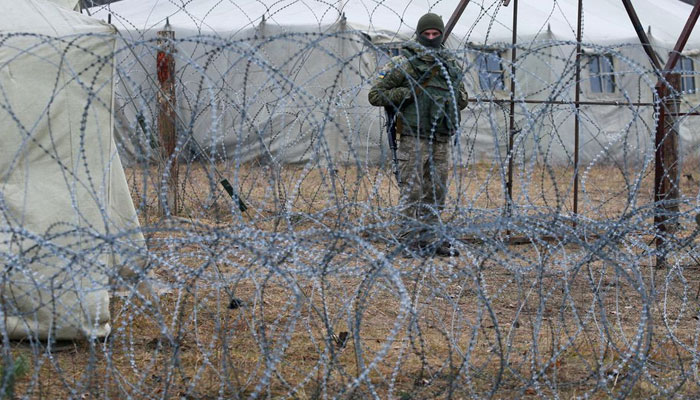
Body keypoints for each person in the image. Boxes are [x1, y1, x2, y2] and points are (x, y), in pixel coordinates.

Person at [368, 13, 468, 257]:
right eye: (427, 34)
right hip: (413, 137)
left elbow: (463, 98)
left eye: (436, 34)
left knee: (436, 191)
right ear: (419, 34)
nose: (431, 38)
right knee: (413, 191)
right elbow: (375, 95)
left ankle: (430, 238)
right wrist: (408, 91)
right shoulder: (404, 63)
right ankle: (407, 240)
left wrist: (451, 97)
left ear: (442, 35)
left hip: (441, 137)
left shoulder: (450, 66)